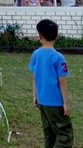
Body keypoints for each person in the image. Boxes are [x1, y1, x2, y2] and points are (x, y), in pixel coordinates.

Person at [29, 19, 74, 148]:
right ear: (57, 36)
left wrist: (35, 95)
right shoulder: (58, 57)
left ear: (39, 36)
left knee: (49, 133)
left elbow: (34, 77)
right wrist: (65, 103)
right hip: (55, 103)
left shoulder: (36, 54)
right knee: (65, 135)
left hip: (42, 101)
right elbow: (62, 80)